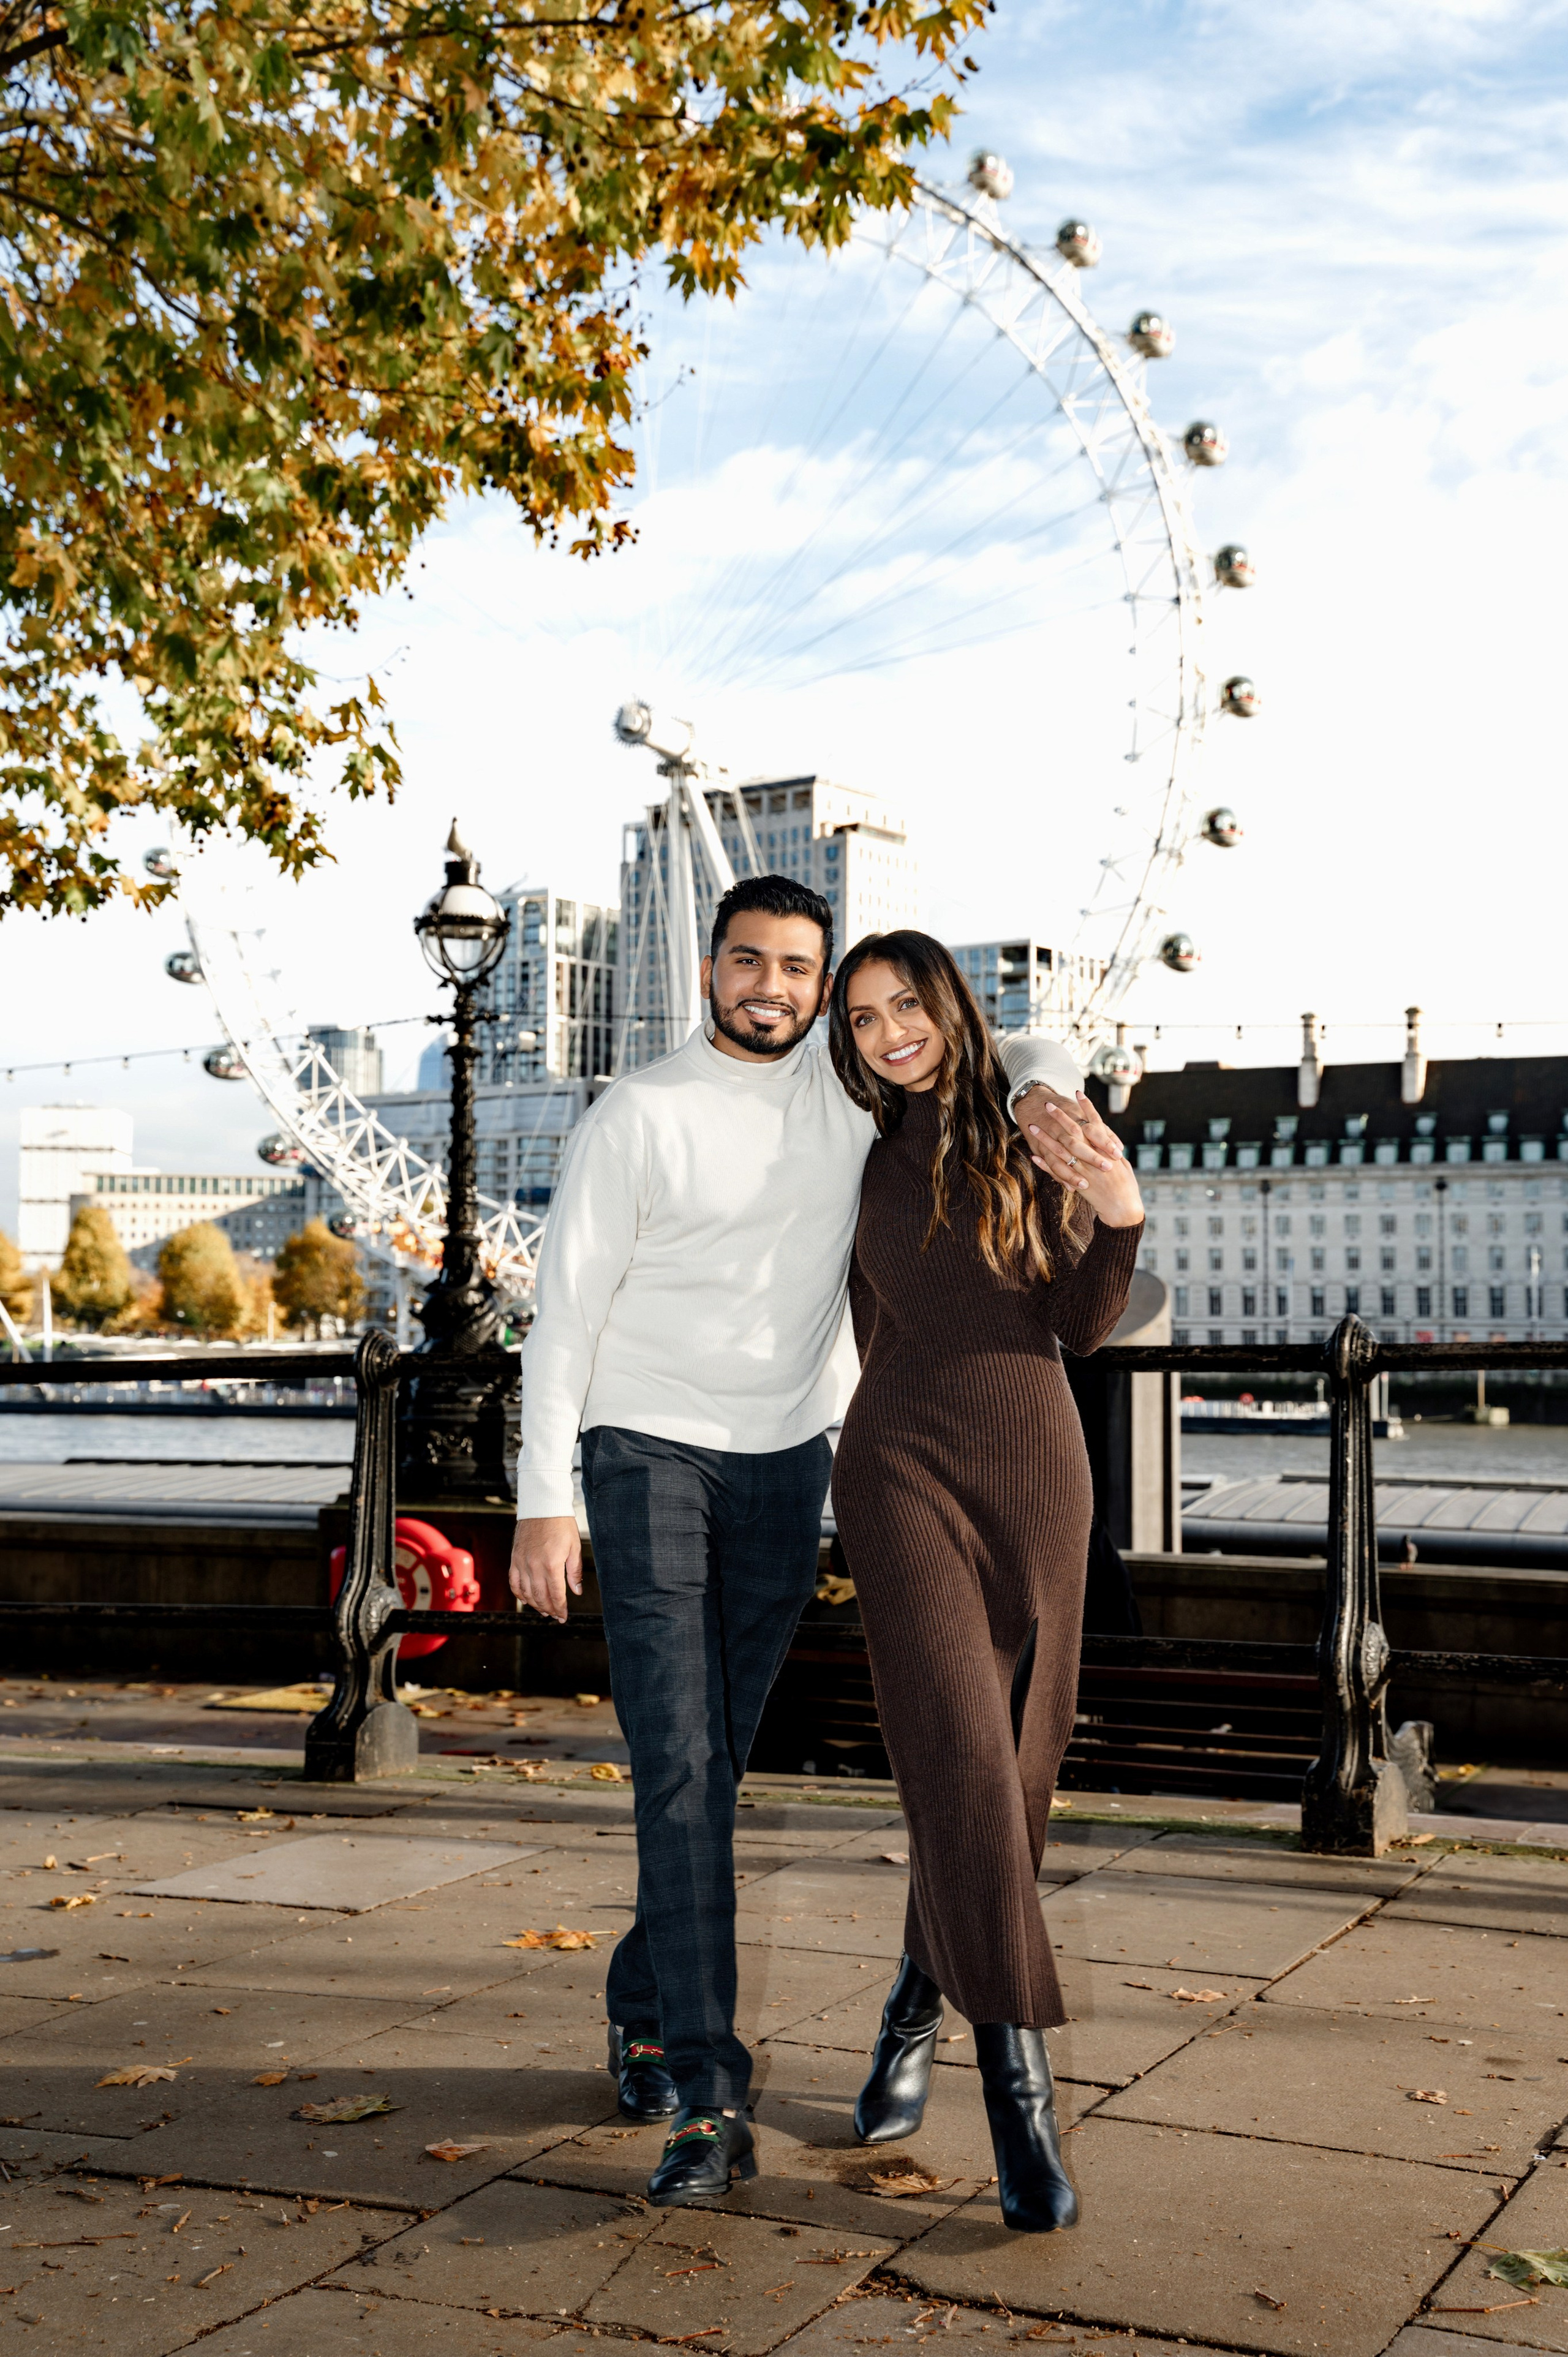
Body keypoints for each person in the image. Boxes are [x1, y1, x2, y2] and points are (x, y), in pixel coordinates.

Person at [508, 875, 1072, 2208]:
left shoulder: (844, 1101)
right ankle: (708, 2097)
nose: (773, 986)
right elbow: (564, 1309)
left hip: (783, 1466)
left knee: (715, 1759)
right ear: (707, 973)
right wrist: (545, 1497)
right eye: (747, 961)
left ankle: (642, 1994)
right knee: (684, 1766)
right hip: (641, 1452)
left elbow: (990, 1062)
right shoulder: (633, 1114)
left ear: (823, 990)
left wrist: (1053, 1090)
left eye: (798, 969)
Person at [827, 929, 1145, 2234]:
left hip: (1035, 1468)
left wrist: (1117, 1208)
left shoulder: (1037, 1128)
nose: (886, 1029)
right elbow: (857, 1324)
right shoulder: (843, 1156)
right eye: (859, 1017)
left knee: (1011, 1767)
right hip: (895, 1463)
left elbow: (1077, 1324)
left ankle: (914, 1992)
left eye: (906, 1003)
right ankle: (1019, 2089)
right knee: (958, 1752)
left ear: (954, 1009)